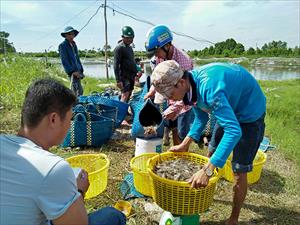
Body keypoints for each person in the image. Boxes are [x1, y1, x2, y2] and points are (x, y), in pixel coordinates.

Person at [150, 60, 266, 225]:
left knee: (238, 172)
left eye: (169, 95)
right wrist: (186, 144)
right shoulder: (190, 86)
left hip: (249, 114)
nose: (170, 99)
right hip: (228, 106)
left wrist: (208, 170)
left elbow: (234, 131)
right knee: (211, 153)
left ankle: (233, 219)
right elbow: (201, 117)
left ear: (181, 82)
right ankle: (207, 192)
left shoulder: (210, 90)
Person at [0, 78, 126, 225]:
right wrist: (79, 191)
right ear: (53, 119)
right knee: (113, 216)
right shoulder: (52, 168)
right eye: (69, 118)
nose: (70, 125)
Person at [144, 24, 194, 146]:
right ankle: (176, 152)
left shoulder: (184, 62)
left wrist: (175, 107)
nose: (156, 55)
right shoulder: (160, 58)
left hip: (184, 101)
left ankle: (182, 153)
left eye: (157, 51)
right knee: (172, 125)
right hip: (171, 95)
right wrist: (152, 91)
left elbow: (189, 91)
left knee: (183, 131)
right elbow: (158, 77)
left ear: (167, 45)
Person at [113, 26, 138, 103]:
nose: (129, 40)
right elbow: (116, 64)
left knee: (129, 93)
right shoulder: (119, 48)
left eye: (131, 38)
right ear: (122, 37)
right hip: (124, 76)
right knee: (125, 94)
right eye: (127, 38)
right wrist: (118, 80)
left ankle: (125, 110)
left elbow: (131, 61)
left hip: (131, 75)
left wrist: (136, 72)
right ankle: (120, 112)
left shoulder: (129, 47)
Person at [59, 26, 84, 96]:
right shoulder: (63, 45)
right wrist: (72, 72)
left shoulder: (74, 45)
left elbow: (77, 59)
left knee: (80, 91)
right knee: (75, 91)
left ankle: (78, 105)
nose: (71, 36)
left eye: (72, 34)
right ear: (65, 35)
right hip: (72, 72)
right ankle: (74, 106)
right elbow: (64, 61)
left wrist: (81, 70)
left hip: (78, 71)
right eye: (69, 34)